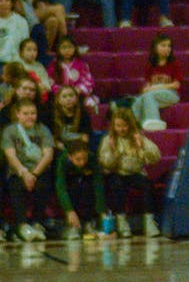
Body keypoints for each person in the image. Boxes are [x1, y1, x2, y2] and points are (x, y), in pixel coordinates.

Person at [98, 107, 162, 237]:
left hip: (136, 173)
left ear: (130, 125)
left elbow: (155, 157)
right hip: (117, 173)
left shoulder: (138, 137)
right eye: (118, 126)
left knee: (147, 186)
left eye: (124, 126)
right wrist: (114, 152)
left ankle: (149, 222)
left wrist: (141, 147)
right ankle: (122, 222)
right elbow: (105, 163)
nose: (121, 129)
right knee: (116, 185)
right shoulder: (108, 140)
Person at [3, 98, 54, 242]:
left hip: (38, 170)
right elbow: (10, 155)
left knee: (44, 184)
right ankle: (22, 225)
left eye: (33, 113)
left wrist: (34, 174)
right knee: (15, 186)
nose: (30, 116)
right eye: (25, 113)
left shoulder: (42, 129)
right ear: (18, 114)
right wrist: (24, 173)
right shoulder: (10, 131)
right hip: (18, 171)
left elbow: (48, 154)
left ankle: (37, 222)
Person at [54, 138, 105, 239]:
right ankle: (72, 225)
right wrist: (69, 211)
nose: (82, 163)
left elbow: (98, 185)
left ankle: (88, 222)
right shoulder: (62, 160)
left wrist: (101, 211)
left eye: (84, 159)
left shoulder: (91, 159)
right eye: (78, 159)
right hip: (69, 183)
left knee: (87, 187)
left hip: (84, 182)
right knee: (73, 189)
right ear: (70, 157)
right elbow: (61, 187)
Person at [131, 33, 181, 133]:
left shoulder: (174, 64)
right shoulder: (150, 65)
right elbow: (148, 84)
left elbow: (176, 85)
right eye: (163, 45)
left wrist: (158, 87)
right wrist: (146, 89)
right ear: (155, 48)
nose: (167, 48)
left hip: (171, 94)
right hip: (153, 94)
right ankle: (136, 124)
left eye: (169, 46)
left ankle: (154, 121)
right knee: (138, 100)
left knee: (148, 96)